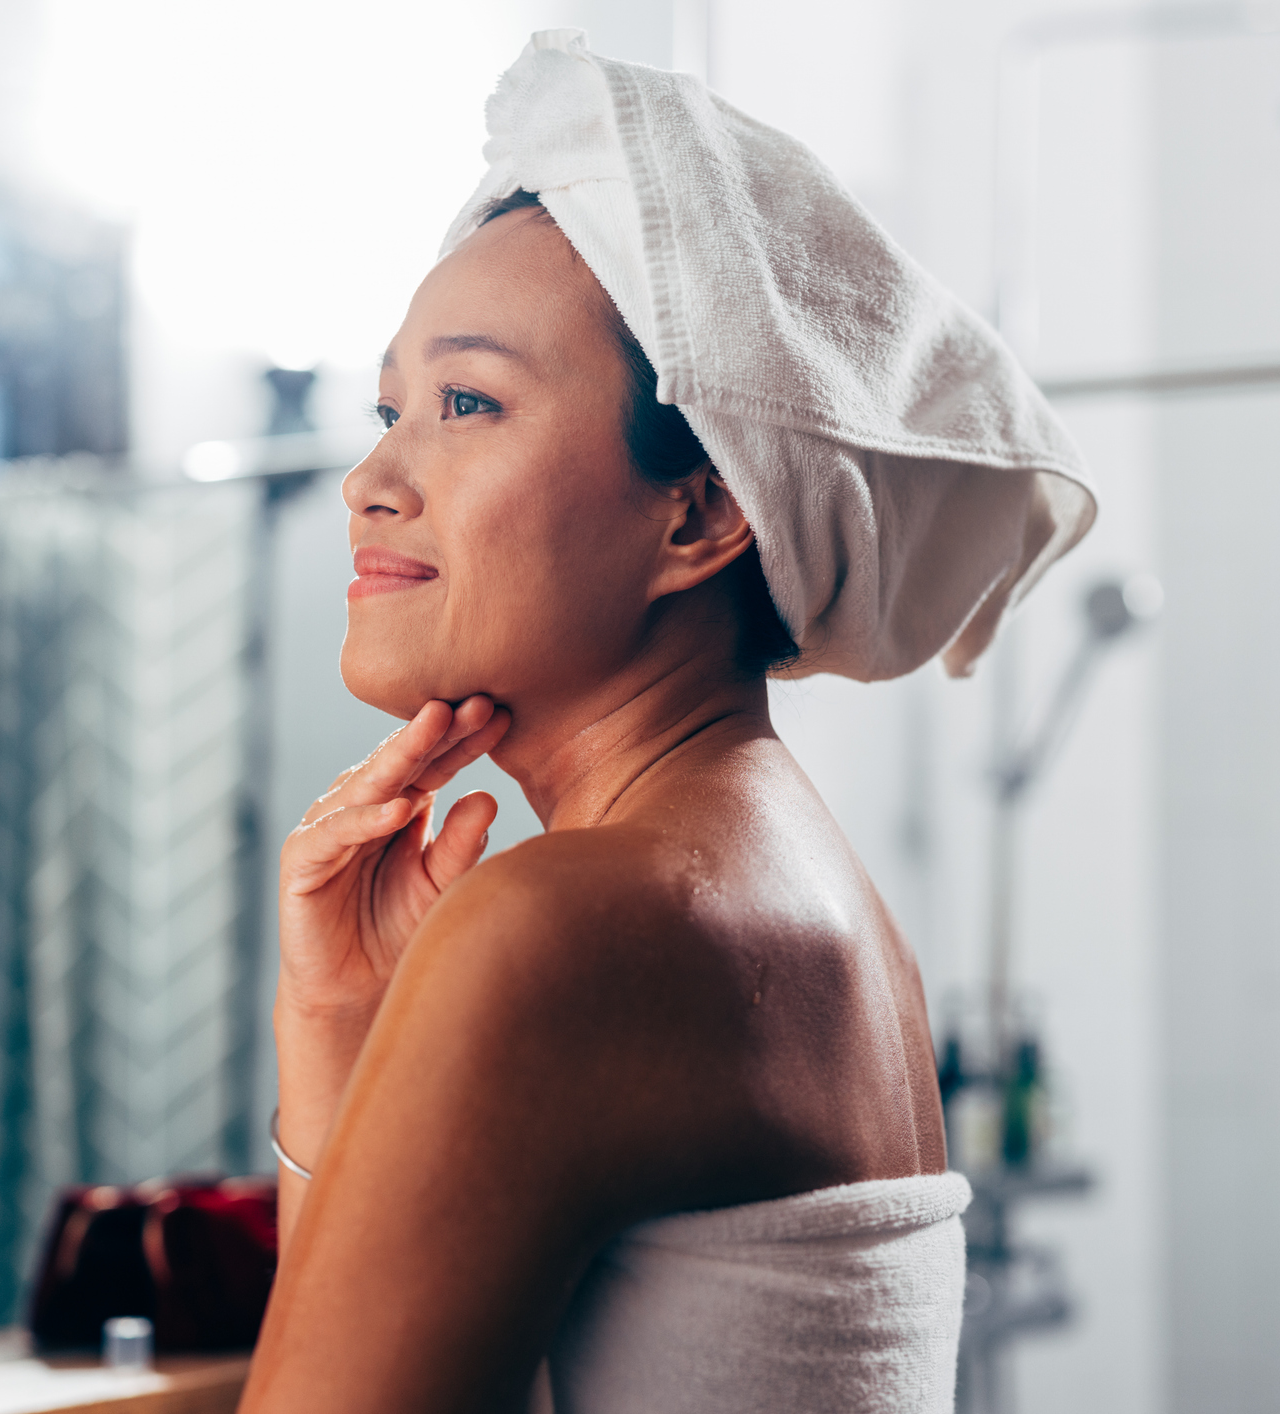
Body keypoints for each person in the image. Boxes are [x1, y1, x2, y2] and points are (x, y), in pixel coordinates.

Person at [239, 32, 1091, 1414]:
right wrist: (344, 1018)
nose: (369, 476)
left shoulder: (572, 921)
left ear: (699, 511)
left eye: (466, 403)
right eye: (387, 404)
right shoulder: (787, 878)